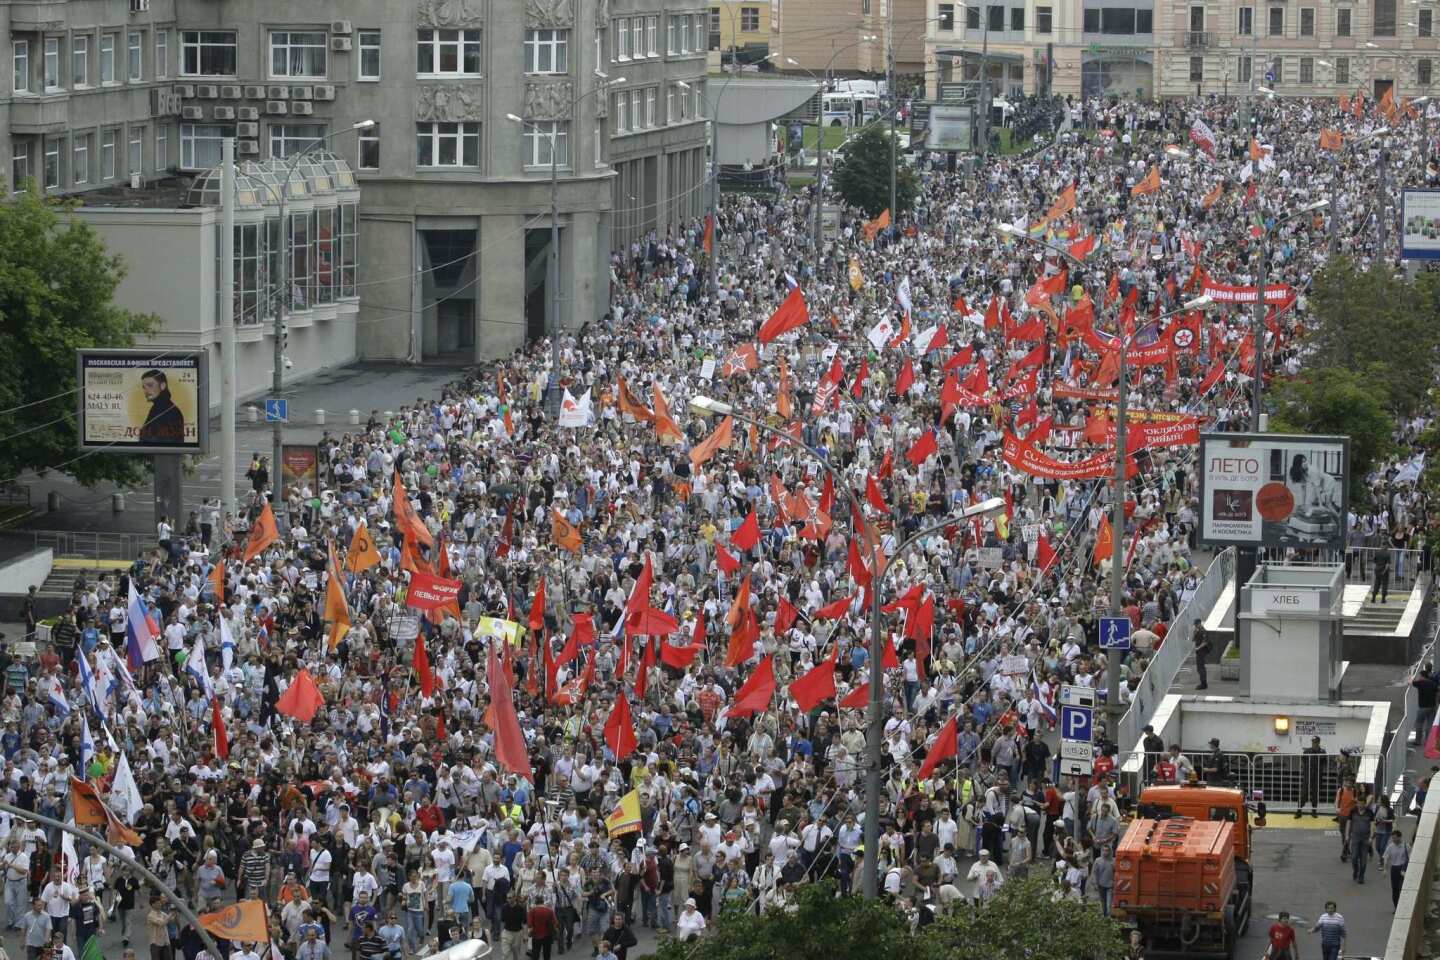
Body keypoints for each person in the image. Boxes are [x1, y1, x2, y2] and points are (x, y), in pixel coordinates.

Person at [137, 369, 187, 445]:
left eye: (150, 385)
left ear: (162, 386)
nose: (146, 390)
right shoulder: (157, 407)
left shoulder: (170, 411)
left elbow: (165, 443)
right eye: (144, 387)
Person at [1298, 737, 1326, 818]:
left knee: (1315, 795)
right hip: (1308, 775)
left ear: (1319, 742)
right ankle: (1299, 811)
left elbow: (1323, 763)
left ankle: (1314, 811)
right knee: (1303, 794)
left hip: (1317, 776)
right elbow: (1303, 761)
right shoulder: (1307, 751)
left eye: (1316, 742)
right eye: (1313, 742)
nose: (1314, 744)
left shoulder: (1322, 752)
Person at [1384, 830, 1411, 909]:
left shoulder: (1406, 846)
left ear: (1399, 837)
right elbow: (1386, 857)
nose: (1393, 840)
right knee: (1395, 889)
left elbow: (1410, 858)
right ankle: (1396, 906)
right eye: (1392, 838)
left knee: (1402, 888)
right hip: (1394, 869)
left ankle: (1403, 906)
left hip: (1403, 869)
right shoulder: (1390, 846)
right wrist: (1385, 869)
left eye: (1395, 838)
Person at [1191, 619, 1211, 691]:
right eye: (1195, 625)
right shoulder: (1198, 631)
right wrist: (1194, 632)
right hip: (1199, 652)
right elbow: (1193, 639)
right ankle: (1202, 682)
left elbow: (1205, 642)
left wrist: (1198, 648)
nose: (1195, 626)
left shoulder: (1203, 631)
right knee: (1199, 668)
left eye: (1196, 624)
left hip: (1202, 651)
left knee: (1201, 667)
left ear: (1199, 623)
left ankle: (1204, 684)